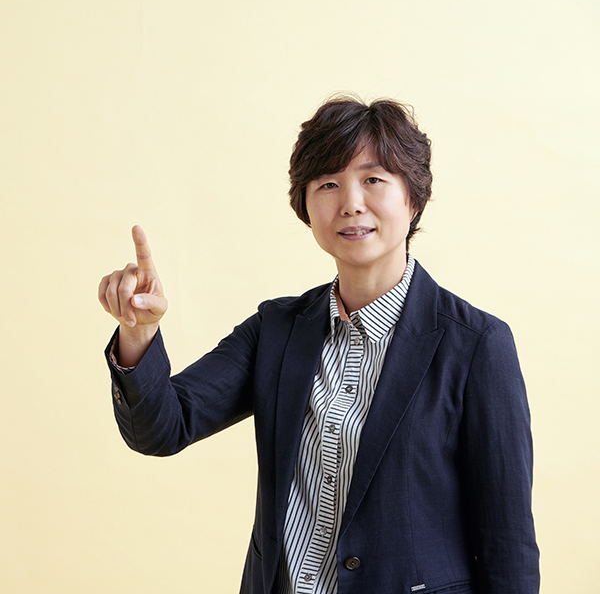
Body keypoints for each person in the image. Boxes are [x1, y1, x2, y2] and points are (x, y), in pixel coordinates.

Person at [98, 97, 540, 594]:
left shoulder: (477, 346)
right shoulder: (277, 329)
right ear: (306, 206)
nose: (351, 202)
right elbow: (164, 428)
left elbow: (508, 546)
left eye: (374, 179)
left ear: (413, 199)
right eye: (328, 183)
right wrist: (139, 332)